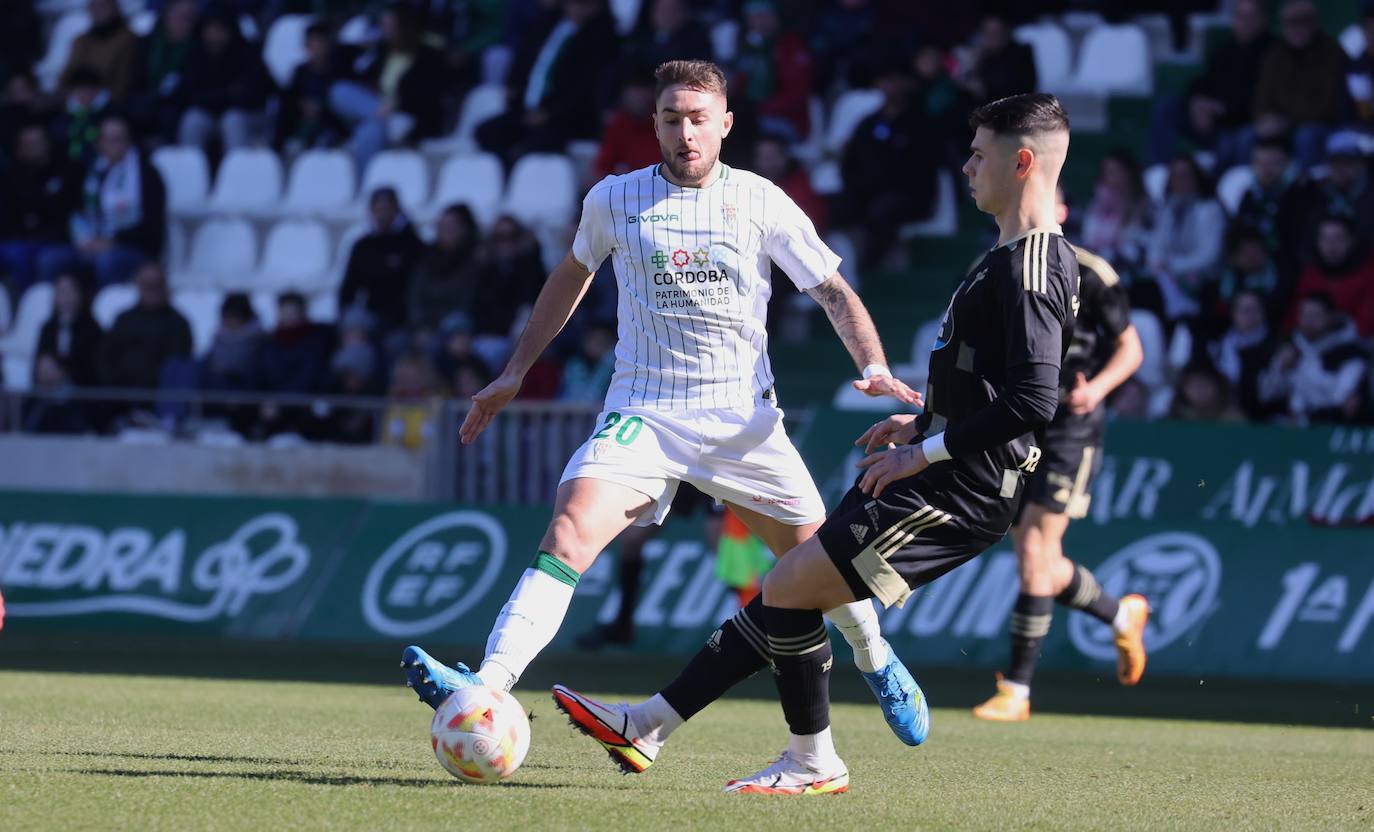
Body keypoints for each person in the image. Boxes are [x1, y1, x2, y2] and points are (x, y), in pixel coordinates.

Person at [553, 93, 1079, 794]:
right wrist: (920, 426)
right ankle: (653, 727)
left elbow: (1035, 400)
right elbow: (989, 381)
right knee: (790, 586)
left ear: (1022, 163)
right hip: (938, 470)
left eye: (979, 154)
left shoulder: (1031, 267)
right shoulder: (1010, 256)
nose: (966, 166)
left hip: (961, 491)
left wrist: (923, 452)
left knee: (790, 587)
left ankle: (794, 757)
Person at [398, 60, 927, 753]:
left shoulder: (761, 201)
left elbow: (832, 290)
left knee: (819, 566)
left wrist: (874, 365)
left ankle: (876, 658)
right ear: (654, 124)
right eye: (672, 119)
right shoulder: (614, 199)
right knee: (568, 533)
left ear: (725, 124)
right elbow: (573, 273)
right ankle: (488, 686)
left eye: (699, 118)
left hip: (741, 419)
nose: (686, 133)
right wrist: (516, 370)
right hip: (643, 411)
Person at [972, 190, 1149, 723]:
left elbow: (1132, 349)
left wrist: (1097, 389)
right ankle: (1120, 615)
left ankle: (1017, 690)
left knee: (1034, 548)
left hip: (1072, 426)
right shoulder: (995, 269)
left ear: (1064, 214)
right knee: (1038, 559)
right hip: (1019, 422)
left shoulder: (1091, 272)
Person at [575, 484, 725, 650]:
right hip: (682, 474)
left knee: (723, 553)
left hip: (714, 475)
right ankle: (623, 624)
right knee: (632, 540)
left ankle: (747, 622)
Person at [475, 0, 620, 167]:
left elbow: (586, 88)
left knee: (539, 142)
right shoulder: (547, 24)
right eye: (573, 3)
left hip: (566, 119)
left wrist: (550, 113)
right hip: (526, 110)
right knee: (487, 132)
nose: (577, 9)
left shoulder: (603, 38)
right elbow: (524, 60)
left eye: (584, 4)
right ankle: (503, 173)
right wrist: (514, 88)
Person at [50, 114, 167, 287]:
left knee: (107, 261)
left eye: (119, 139)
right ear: (99, 144)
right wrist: (84, 239)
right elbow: (76, 212)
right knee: (52, 260)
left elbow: (152, 225)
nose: (115, 145)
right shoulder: (90, 172)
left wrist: (113, 241)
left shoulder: (146, 174)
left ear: (128, 142)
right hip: (91, 240)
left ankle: (105, 302)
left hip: (133, 246)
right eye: (109, 140)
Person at [329, 4, 446, 167]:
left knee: (370, 130)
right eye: (383, 25)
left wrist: (396, 105)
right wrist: (367, 52)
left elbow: (428, 95)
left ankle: (363, 181)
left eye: (388, 26)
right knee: (340, 90)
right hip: (381, 110)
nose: (383, 30)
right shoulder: (382, 52)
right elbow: (358, 76)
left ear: (403, 27)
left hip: (407, 114)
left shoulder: (427, 56)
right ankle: (380, 116)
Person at [1251, 0, 1349, 167]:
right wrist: (1263, 118)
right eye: (1290, 23)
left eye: (1302, 22)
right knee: (1247, 135)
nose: (1295, 29)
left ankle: (1306, 181)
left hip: (1321, 126)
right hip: (1281, 125)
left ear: (1313, 23)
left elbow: (1328, 106)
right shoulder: (1275, 56)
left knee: (1306, 136)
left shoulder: (1332, 54)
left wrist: (1287, 121)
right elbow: (1262, 97)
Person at [1260, 293, 1370, 425]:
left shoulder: (1351, 354)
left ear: (1331, 317)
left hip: (1329, 427)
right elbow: (1266, 396)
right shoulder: (1291, 347)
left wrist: (1302, 414)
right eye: (1304, 315)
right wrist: (1281, 369)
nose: (1309, 321)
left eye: (1316, 315)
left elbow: (1341, 400)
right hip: (1288, 427)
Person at [176, 9, 271, 152]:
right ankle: (190, 165)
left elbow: (252, 94)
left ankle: (236, 166)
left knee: (232, 120)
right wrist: (227, 93)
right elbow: (190, 93)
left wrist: (217, 95)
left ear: (230, 31)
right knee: (192, 120)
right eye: (210, 30)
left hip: (246, 114)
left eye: (219, 30)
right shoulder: (195, 54)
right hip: (208, 112)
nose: (214, 36)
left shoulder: (247, 53)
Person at [337, 187, 424, 341]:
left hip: (402, 318)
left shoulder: (411, 245)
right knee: (354, 322)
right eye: (378, 209)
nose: (383, 214)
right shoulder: (362, 246)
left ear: (397, 211)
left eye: (387, 209)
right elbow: (349, 287)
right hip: (372, 313)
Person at [0, 124, 75, 298]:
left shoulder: (66, 169)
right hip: (18, 236)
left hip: (56, 238)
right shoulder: (11, 176)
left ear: (48, 143)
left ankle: (31, 302)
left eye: (37, 142)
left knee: (26, 256)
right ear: (19, 148)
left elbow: (61, 210)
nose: (33, 148)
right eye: (28, 144)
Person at [100, 262, 191, 390]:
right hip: (120, 393)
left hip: (158, 395)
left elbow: (178, 366)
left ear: (165, 286)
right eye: (147, 285)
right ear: (139, 286)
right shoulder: (123, 320)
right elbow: (107, 358)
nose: (151, 290)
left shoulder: (178, 324)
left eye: (156, 285)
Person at [274, 22, 352, 154]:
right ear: (306, 46)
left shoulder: (339, 72)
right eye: (312, 44)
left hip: (330, 123)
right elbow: (290, 97)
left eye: (320, 43)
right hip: (302, 121)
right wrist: (301, 105)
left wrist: (320, 107)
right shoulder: (300, 72)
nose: (317, 48)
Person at [1290, 216, 1374, 337]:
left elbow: (1366, 322)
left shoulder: (1368, 273)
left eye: (1338, 238)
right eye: (1325, 239)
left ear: (1352, 241)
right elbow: (1294, 315)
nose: (1331, 246)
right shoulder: (1310, 273)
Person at [406, 204, 481, 335]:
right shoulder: (427, 257)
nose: (445, 231)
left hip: (457, 326)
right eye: (441, 226)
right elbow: (415, 296)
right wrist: (420, 325)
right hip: (423, 325)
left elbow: (467, 301)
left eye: (451, 227)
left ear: (464, 229)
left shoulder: (475, 260)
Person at [59, 0, 138, 101]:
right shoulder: (80, 42)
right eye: (93, 6)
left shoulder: (129, 40)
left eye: (102, 6)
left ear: (114, 6)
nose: (97, 11)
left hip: (112, 103)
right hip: (75, 102)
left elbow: (123, 83)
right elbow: (65, 79)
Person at [35, 272, 103, 388]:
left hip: (81, 392)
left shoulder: (92, 330)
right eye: (60, 292)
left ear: (80, 294)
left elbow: (93, 370)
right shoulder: (48, 328)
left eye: (69, 291)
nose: (64, 297)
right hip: (48, 391)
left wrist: (64, 374)